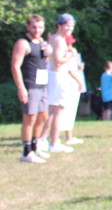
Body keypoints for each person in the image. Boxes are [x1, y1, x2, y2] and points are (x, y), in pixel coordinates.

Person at [10, 14, 52, 164]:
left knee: (43, 117)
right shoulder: (23, 43)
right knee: (30, 118)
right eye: (34, 27)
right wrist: (21, 88)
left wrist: (48, 53)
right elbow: (15, 66)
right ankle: (26, 152)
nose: (37, 30)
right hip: (30, 85)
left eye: (40, 27)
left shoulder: (41, 42)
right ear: (28, 27)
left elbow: (43, 62)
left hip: (42, 85)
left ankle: (35, 147)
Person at [42, 14, 83, 154]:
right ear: (59, 25)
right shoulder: (59, 40)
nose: (70, 28)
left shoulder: (54, 38)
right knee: (58, 111)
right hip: (58, 76)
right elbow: (59, 61)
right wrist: (71, 55)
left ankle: (43, 139)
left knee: (54, 111)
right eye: (67, 25)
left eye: (72, 26)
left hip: (55, 76)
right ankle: (54, 143)